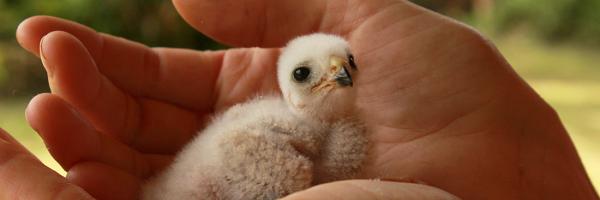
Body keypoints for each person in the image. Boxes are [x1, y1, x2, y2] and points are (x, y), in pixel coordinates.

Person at [1, 0, 597, 199]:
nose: (336, 78)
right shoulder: (276, 141)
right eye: (312, 71)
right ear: (289, 81)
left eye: (347, 67)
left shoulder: (330, 140)